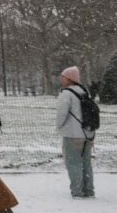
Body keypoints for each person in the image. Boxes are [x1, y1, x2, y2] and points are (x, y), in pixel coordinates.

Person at [56, 66, 95, 198]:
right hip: (88, 134)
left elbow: (61, 114)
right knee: (86, 163)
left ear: (69, 79)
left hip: (72, 135)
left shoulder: (66, 93)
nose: (61, 79)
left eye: (63, 77)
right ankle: (89, 190)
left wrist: (59, 127)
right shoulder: (85, 91)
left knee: (73, 163)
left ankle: (77, 192)